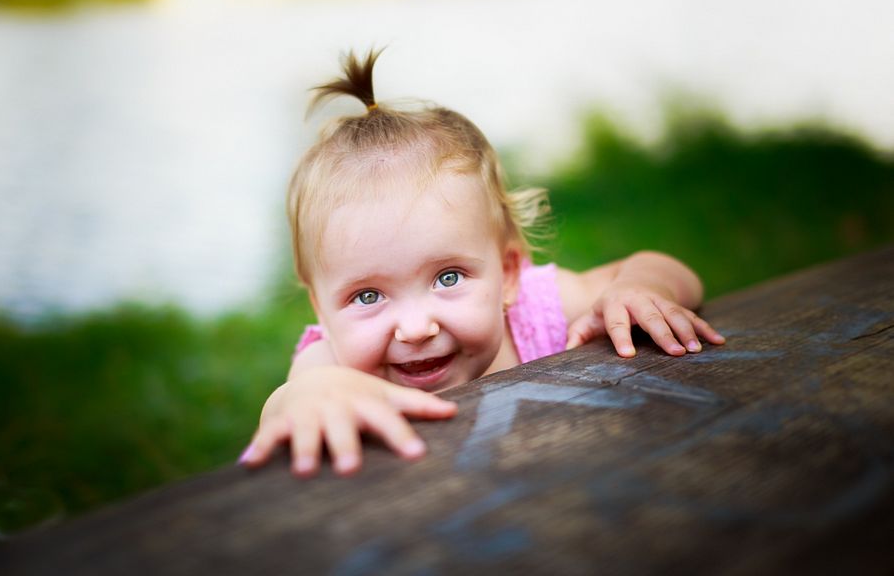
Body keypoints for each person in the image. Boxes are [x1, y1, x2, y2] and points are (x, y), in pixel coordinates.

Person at [239, 49, 725, 477]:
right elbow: (290, 402)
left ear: (510, 274)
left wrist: (641, 287)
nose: (415, 328)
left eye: (447, 277)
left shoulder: (538, 311)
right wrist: (309, 396)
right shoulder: (333, 362)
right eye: (367, 295)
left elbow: (662, 268)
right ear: (321, 309)